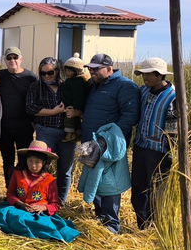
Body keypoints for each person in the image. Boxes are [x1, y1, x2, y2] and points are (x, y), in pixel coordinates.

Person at [69, 53, 140, 233]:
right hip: (91, 142)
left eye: (96, 68)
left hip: (108, 146)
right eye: (90, 68)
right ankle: (100, 217)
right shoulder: (95, 85)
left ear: (109, 69)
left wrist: (106, 140)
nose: (91, 71)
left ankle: (111, 225)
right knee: (95, 180)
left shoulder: (125, 86)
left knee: (109, 183)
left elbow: (129, 116)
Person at [0, 140, 81, 242]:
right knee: (7, 216)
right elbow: (10, 194)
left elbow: (55, 204)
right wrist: (22, 204)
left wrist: (43, 207)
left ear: (44, 162)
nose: (33, 166)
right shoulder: (17, 174)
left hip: (38, 215)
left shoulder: (49, 180)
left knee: (43, 224)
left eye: (37, 162)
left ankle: (29, 230)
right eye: (30, 161)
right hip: (18, 209)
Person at [131, 57, 177, 230]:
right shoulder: (143, 91)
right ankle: (142, 224)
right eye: (143, 74)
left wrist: (171, 153)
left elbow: (174, 129)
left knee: (157, 190)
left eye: (148, 74)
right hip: (140, 147)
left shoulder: (173, 96)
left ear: (160, 75)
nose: (144, 78)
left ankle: (156, 226)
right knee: (138, 188)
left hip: (159, 151)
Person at [25, 57, 77, 204]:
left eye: (50, 72)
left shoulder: (66, 85)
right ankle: (41, 199)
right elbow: (30, 108)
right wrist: (52, 112)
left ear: (57, 71)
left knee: (65, 170)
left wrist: (75, 112)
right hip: (45, 131)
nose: (47, 76)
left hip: (67, 133)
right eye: (43, 73)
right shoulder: (35, 87)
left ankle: (60, 202)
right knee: (43, 167)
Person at [0, 47, 38, 187]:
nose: (12, 60)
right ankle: (10, 189)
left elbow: (37, 99)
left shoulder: (30, 77)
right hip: (5, 127)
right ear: (5, 60)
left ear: (21, 59)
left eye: (15, 57)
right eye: (9, 58)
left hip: (24, 127)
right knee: (7, 161)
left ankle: (23, 189)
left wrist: (34, 123)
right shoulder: (0, 76)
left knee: (24, 160)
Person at [61, 55, 90, 143]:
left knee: (69, 118)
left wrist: (76, 107)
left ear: (76, 71)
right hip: (72, 103)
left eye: (69, 71)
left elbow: (79, 95)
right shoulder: (72, 80)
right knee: (75, 120)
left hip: (72, 105)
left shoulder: (77, 82)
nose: (67, 73)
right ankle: (77, 133)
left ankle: (70, 134)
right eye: (66, 70)